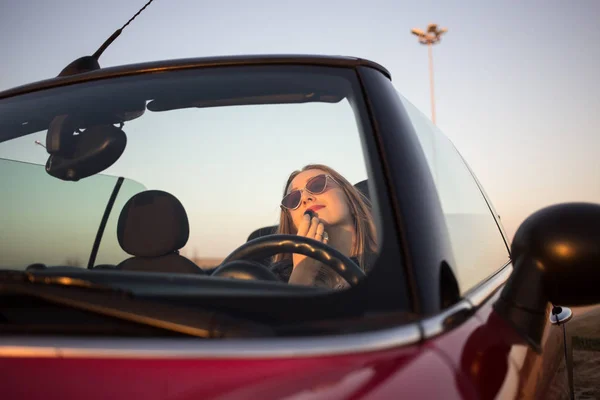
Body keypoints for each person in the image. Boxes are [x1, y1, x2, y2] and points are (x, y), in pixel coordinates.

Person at [271, 164, 377, 289]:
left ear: (350, 198)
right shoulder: (274, 279)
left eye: (317, 185)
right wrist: (302, 276)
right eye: (294, 199)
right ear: (292, 223)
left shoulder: (391, 258)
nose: (305, 198)